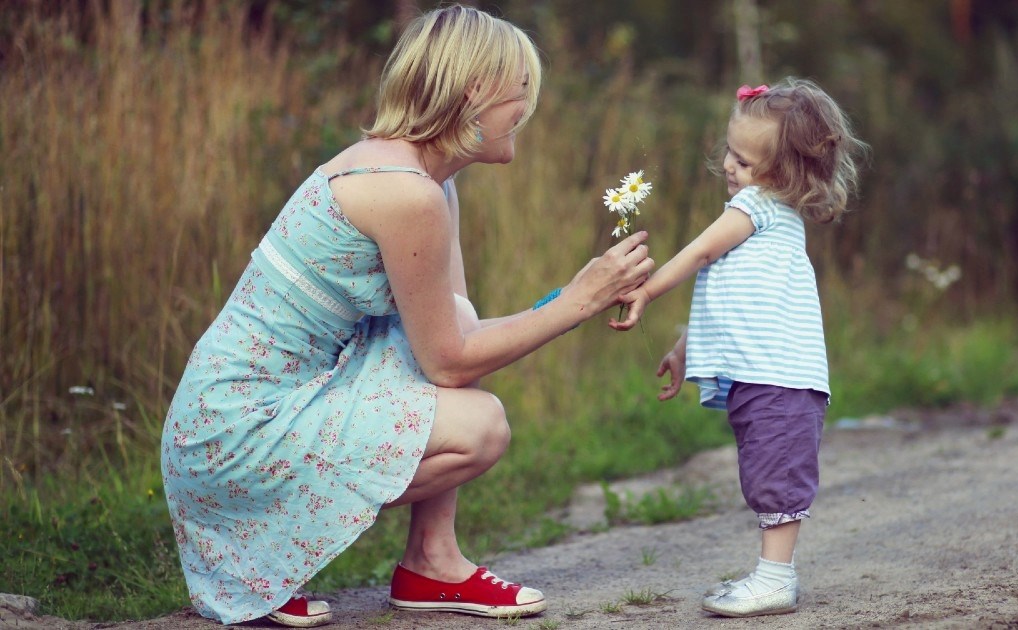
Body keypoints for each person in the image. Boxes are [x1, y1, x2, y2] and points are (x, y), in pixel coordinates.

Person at [160, 5, 653, 627]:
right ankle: (264, 561)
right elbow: (451, 363)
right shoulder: (406, 192)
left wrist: (581, 295)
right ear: (474, 91)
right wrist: (577, 300)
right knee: (481, 427)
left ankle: (432, 561)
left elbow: (459, 336)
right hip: (231, 434)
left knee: (456, 317)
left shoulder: (426, 179)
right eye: (521, 92)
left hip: (262, 410)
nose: (527, 109)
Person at [609, 78, 866, 617]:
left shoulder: (759, 206)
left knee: (775, 475)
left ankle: (776, 578)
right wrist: (685, 346)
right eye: (731, 151)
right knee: (765, 470)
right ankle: (772, 575)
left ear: (781, 175)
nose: (730, 166)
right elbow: (726, 295)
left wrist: (647, 290)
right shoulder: (764, 216)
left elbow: (701, 253)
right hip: (766, 375)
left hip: (781, 377)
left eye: (746, 162)